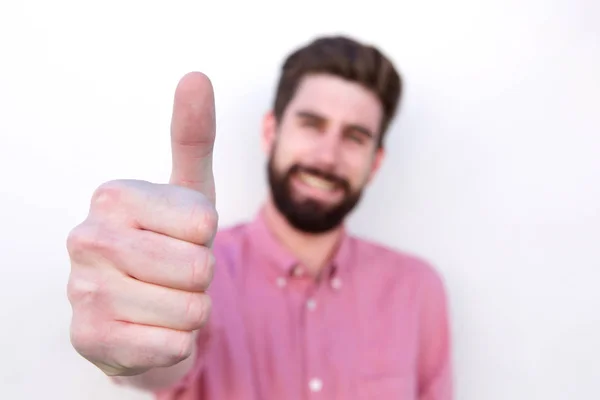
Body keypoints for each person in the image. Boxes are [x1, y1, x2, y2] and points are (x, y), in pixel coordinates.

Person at [66, 35, 453, 399]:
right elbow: (166, 367)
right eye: (311, 124)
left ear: (375, 163)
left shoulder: (419, 291)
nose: (327, 156)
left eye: (354, 137)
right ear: (271, 132)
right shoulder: (192, 270)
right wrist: (129, 340)